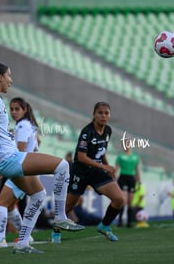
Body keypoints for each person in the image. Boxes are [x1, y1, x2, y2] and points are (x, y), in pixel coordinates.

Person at [0, 62, 84, 254]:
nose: (11, 80)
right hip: (8, 158)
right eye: (8, 75)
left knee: (38, 195)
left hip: (4, 158)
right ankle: (60, 217)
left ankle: (23, 242)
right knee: (63, 166)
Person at [54, 102, 124, 243]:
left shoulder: (108, 131)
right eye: (100, 113)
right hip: (80, 172)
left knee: (119, 199)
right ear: (94, 115)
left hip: (97, 171)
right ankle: (55, 232)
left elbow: (101, 151)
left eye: (106, 113)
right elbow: (81, 157)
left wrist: (107, 166)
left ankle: (104, 226)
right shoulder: (87, 132)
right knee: (68, 206)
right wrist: (105, 168)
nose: (103, 116)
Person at [0, 97, 40, 249]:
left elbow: (20, 150)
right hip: (29, 170)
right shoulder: (29, 125)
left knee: (1, 203)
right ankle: (26, 236)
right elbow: (37, 142)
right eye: (12, 109)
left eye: (17, 109)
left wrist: (6, 170)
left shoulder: (21, 126)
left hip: (21, 170)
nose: (13, 112)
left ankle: (1, 240)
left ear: (24, 110)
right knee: (11, 206)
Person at [115, 146, 141, 228]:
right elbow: (116, 168)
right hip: (123, 178)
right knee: (124, 201)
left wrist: (139, 181)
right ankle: (120, 221)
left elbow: (137, 170)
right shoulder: (120, 156)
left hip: (131, 179)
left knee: (130, 202)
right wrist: (114, 178)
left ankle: (129, 222)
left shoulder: (135, 157)